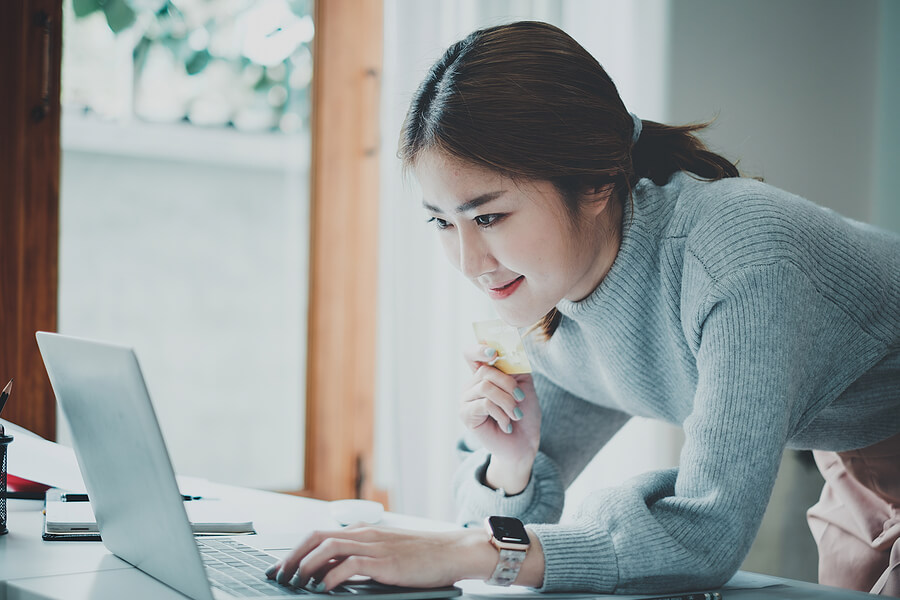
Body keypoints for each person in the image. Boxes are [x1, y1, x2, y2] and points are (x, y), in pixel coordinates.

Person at [267, 20, 900, 596]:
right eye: (441, 222)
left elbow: (702, 536)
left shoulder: (737, 256)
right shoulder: (555, 304)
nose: (469, 261)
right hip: (859, 451)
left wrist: (463, 554)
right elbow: (497, 524)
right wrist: (512, 467)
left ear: (597, 180)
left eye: (489, 216)